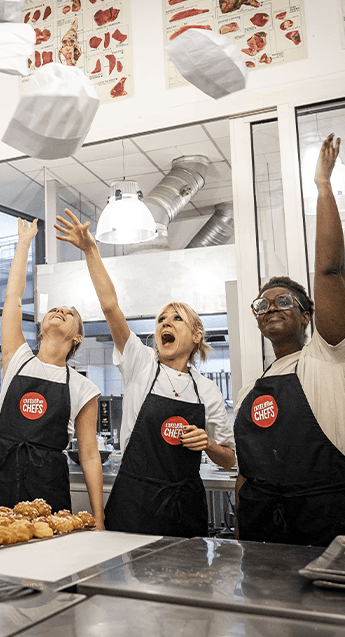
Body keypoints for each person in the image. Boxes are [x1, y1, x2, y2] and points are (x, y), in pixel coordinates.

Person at [55, 209, 235, 537]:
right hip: (134, 504)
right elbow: (111, 307)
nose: (165, 322)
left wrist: (208, 443)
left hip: (185, 508)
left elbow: (228, 459)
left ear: (196, 336)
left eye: (177, 319)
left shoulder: (207, 390)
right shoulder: (140, 364)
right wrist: (90, 251)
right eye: (161, 319)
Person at [234, 134, 345, 546]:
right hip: (260, 531)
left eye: (283, 301)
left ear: (307, 315)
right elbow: (245, 473)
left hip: (327, 524)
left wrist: (322, 186)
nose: (271, 308)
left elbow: (330, 270)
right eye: (262, 306)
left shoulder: (328, 356)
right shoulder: (250, 388)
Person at [0, 219, 104, 522]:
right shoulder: (18, 357)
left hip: (48, 479)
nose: (61, 311)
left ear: (77, 338)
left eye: (70, 313)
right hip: (2, 471)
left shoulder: (82, 387)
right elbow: (13, 298)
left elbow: (89, 455)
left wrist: (98, 518)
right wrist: (23, 243)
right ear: (42, 325)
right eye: (55, 309)